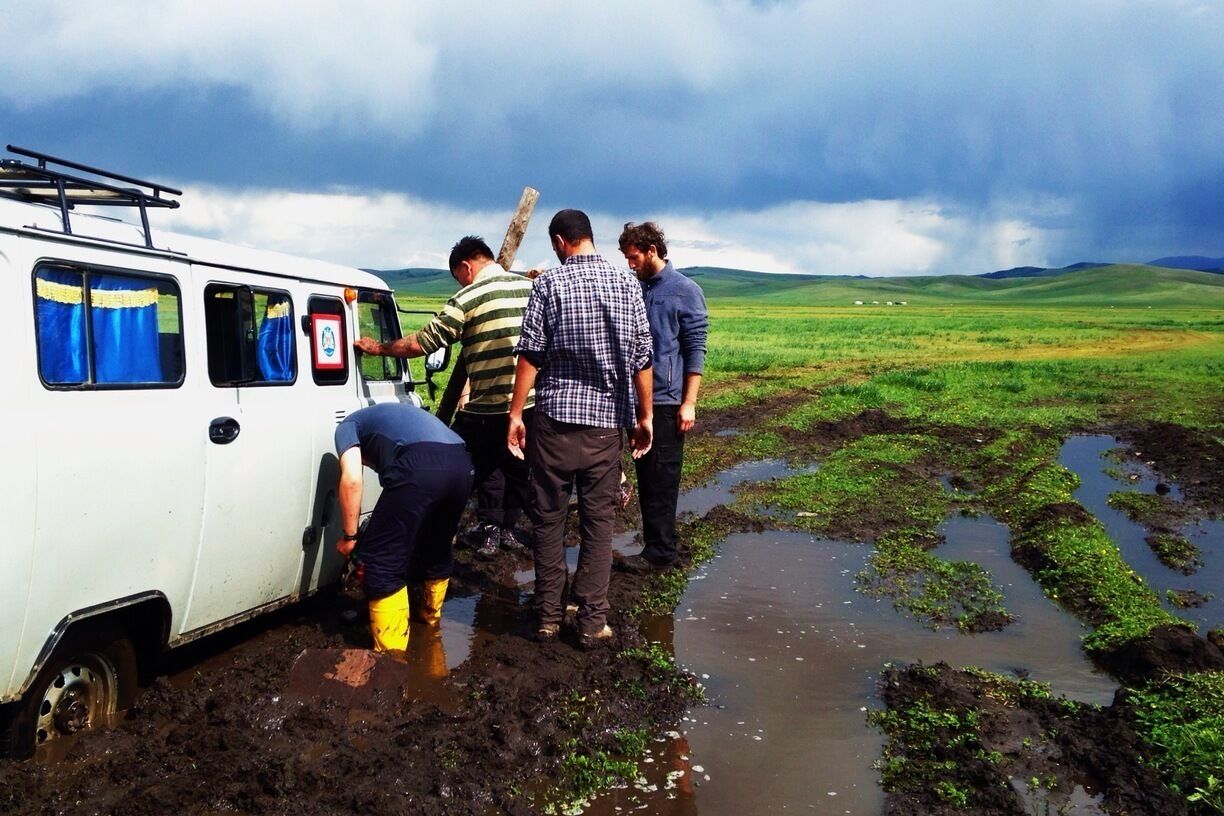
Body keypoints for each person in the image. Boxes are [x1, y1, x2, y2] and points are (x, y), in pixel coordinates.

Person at [508, 209, 654, 648]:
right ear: (590, 238)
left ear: (559, 241)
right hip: (605, 428)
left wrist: (516, 415)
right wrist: (644, 418)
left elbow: (531, 355)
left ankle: (548, 617)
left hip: (553, 424)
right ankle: (592, 623)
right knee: (598, 525)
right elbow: (642, 358)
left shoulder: (549, 284)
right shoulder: (629, 284)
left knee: (549, 520)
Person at [355, 236, 534, 560]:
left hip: (489, 410)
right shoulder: (530, 289)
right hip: (532, 405)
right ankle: (515, 534)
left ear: (466, 266)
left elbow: (420, 344)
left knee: (448, 465)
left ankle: (427, 542)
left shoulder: (467, 297)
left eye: (459, 277)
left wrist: (378, 348)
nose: (461, 283)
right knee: (523, 471)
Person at [335, 402, 474, 652]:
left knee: (381, 563)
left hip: (420, 463)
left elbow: (352, 479)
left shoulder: (347, 427)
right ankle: (430, 625)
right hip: (462, 463)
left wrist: (350, 536)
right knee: (436, 549)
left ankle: (392, 656)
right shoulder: (396, 418)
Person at [617, 221, 708, 573]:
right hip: (637, 399)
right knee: (646, 473)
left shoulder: (685, 290)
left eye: (634, 256)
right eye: (626, 257)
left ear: (652, 250)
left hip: (668, 401)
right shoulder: (637, 289)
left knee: (662, 477)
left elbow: (695, 349)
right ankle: (656, 543)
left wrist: (689, 402)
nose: (630, 264)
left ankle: (660, 552)